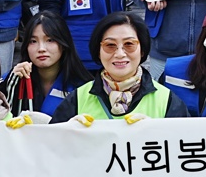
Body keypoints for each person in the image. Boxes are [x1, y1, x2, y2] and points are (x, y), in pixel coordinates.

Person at [50, 12, 191, 121]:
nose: (119, 54)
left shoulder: (166, 100)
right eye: (110, 45)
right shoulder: (77, 99)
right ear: (98, 52)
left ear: (142, 50)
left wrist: (158, 132)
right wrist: (68, 133)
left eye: (129, 44)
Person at [0, 11, 89, 118]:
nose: (41, 49)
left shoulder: (83, 87)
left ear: (64, 43)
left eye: (50, 40)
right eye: (33, 41)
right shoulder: (13, 79)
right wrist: (10, 83)